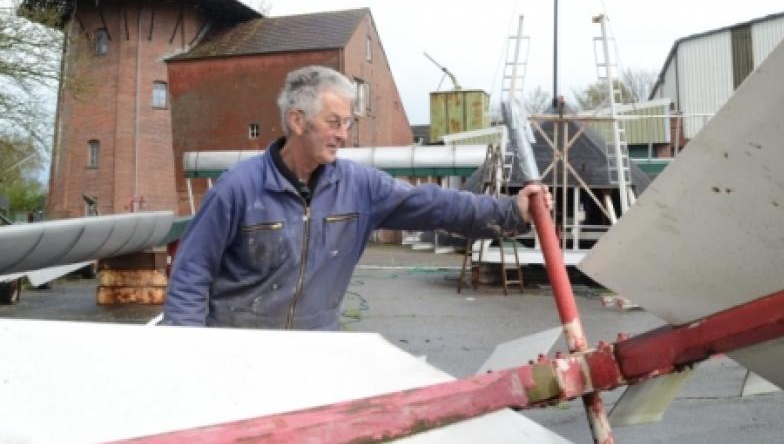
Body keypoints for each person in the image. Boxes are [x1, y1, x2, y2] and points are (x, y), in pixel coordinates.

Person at [163, 65, 550, 330]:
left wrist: (511, 211)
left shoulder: (359, 187)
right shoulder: (237, 189)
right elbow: (190, 274)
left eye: (347, 123)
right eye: (334, 122)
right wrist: (191, 355)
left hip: (316, 356)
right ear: (297, 121)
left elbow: (436, 205)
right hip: (240, 351)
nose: (344, 135)